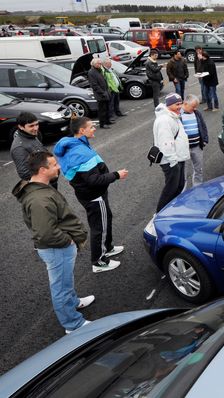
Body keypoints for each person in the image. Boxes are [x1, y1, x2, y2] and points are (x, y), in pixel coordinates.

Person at [12, 151, 93, 334]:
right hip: (57, 248)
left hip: (58, 247)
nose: (59, 167)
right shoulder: (40, 199)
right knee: (61, 287)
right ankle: (72, 325)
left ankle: (73, 304)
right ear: (42, 169)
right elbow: (46, 233)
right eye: (54, 164)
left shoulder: (40, 189)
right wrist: (68, 240)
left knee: (65, 280)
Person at [54, 116, 127, 273]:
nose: (94, 128)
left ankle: (107, 248)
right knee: (99, 227)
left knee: (106, 218)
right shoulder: (79, 152)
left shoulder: (75, 143)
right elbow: (93, 180)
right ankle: (99, 262)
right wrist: (116, 175)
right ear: (82, 130)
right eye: (91, 126)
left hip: (90, 194)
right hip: (94, 196)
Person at [153, 93, 190, 212]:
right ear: (169, 105)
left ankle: (172, 212)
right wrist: (173, 162)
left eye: (181, 103)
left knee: (178, 187)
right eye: (177, 104)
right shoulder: (164, 120)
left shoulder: (173, 115)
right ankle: (159, 215)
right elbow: (166, 143)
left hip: (178, 158)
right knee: (171, 189)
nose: (180, 107)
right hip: (172, 161)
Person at [11, 112, 58, 189]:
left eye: (37, 124)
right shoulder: (19, 148)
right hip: (42, 186)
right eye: (31, 126)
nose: (36, 128)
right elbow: (24, 173)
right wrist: (46, 174)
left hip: (49, 181)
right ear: (21, 127)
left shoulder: (31, 135)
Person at [180, 94, 208, 188]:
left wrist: (205, 140)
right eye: (193, 106)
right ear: (185, 104)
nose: (195, 108)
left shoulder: (196, 113)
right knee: (183, 172)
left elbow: (203, 126)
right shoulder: (178, 114)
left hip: (197, 146)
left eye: (196, 106)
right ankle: (182, 192)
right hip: (184, 148)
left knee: (198, 169)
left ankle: (197, 188)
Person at [87, 58, 112, 128]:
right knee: (102, 110)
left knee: (107, 108)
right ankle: (102, 124)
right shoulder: (91, 72)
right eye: (99, 63)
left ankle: (107, 121)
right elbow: (94, 85)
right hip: (100, 94)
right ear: (94, 64)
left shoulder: (99, 70)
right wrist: (102, 92)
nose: (100, 65)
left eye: (100, 63)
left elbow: (104, 81)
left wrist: (107, 90)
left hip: (105, 92)